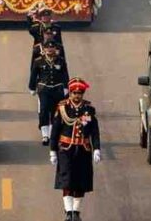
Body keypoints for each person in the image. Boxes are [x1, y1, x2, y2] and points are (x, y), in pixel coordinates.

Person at [50, 77, 100, 221]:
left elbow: (94, 131)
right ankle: (68, 211)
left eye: (80, 93)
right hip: (66, 149)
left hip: (83, 149)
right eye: (74, 93)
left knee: (80, 181)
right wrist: (53, 151)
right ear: (70, 93)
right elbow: (55, 131)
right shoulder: (62, 108)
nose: (77, 96)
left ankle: (76, 212)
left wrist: (96, 148)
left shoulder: (88, 110)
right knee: (67, 179)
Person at [29, 41, 70, 146]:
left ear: (55, 49)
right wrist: (32, 87)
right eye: (48, 48)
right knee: (43, 111)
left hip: (57, 89)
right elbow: (33, 75)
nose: (50, 50)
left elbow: (65, 74)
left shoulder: (60, 61)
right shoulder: (38, 61)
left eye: (52, 48)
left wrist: (66, 87)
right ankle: (45, 135)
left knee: (55, 112)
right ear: (45, 49)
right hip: (44, 89)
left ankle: (53, 134)